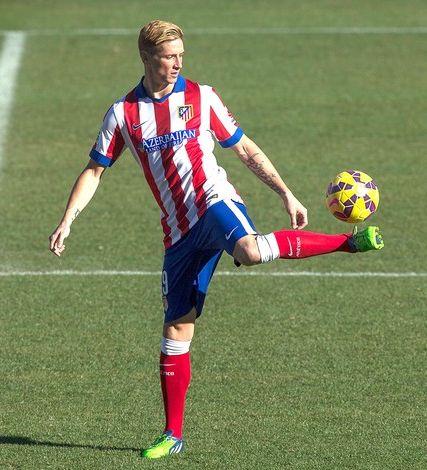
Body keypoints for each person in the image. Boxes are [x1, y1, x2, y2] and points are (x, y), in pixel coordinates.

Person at [49, 19, 384, 459]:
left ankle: (347, 243)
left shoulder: (201, 97)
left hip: (215, 202)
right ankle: (172, 435)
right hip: (178, 232)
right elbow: (94, 170)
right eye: (169, 57)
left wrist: (285, 192)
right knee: (177, 329)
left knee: (249, 249)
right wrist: (68, 219)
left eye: (181, 56)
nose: (176, 64)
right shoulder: (124, 115)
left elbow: (243, 148)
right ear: (147, 58)